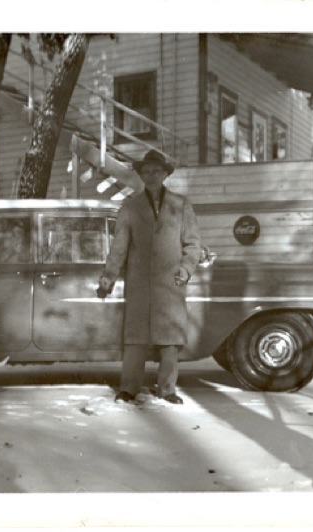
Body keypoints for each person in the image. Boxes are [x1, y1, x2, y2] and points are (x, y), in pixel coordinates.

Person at [98, 149, 202, 405]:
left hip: (171, 284)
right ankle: (128, 389)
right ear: (141, 175)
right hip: (139, 285)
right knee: (135, 339)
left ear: (165, 173)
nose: (152, 175)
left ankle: (167, 389)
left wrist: (186, 269)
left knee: (170, 340)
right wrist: (108, 277)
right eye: (146, 171)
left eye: (157, 171)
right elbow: (119, 246)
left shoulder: (181, 205)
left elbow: (193, 245)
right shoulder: (130, 206)